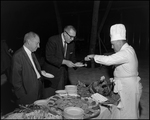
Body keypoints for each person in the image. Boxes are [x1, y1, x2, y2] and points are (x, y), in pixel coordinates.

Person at [84, 24, 142, 119]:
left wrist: (94, 56)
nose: (112, 46)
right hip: (125, 87)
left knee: (128, 115)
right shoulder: (127, 50)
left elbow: (109, 60)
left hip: (129, 88)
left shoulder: (126, 52)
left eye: (113, 44)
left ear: (119, 42)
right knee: (121, 112)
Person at [43, 25, 84, 98]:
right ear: (65, 33)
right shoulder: (53, 40)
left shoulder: (72, 44)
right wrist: (65, 62)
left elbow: (72, 58)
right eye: (71, 36)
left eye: (74, 37)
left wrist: (75, 64)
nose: (72, 39)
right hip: (51, 75)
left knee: (60, 98)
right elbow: (49, 57)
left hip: (62, 75)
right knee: (48, 98)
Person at [11, 32, 51, 105]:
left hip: (38, 90)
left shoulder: (32, 53)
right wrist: (22, 96)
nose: (38, 46)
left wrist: (40, 72)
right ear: (29, 42)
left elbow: (31, 69)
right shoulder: (18, 56)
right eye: (37, 43)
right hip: (28, 95)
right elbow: (16, 80)